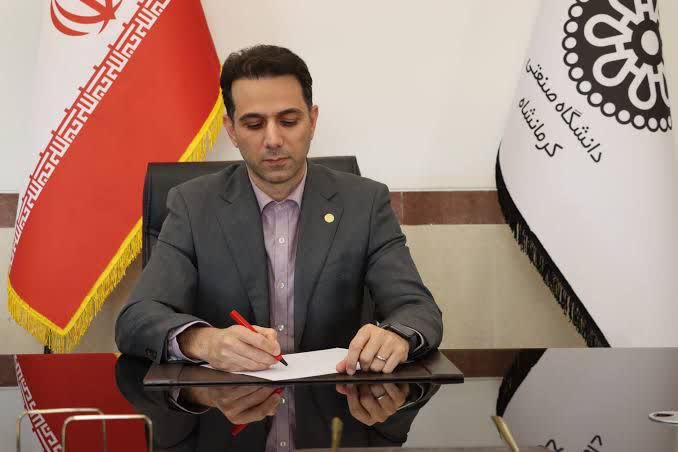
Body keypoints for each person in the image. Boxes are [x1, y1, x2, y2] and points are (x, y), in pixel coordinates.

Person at [115, 44, 443, 376]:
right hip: (228, 402)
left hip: (337, 399)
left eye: (288, 121)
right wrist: (203, 341)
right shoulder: (194, 205)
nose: (273, 139)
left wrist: (396, 336)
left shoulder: (364, 203)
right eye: (254, 124)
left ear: (312, 121)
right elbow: (136, 319)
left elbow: (417, 309)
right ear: (231, 130)